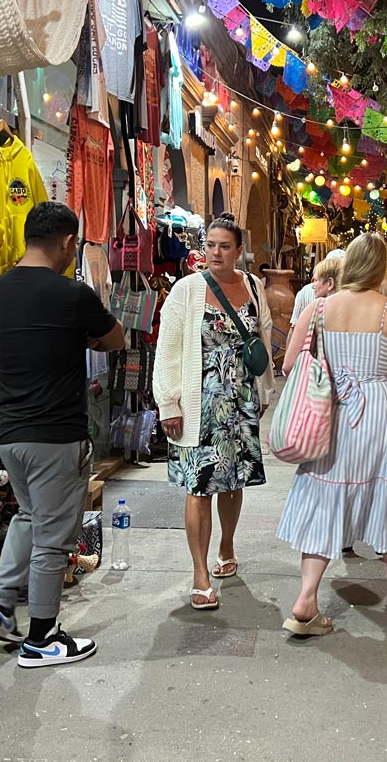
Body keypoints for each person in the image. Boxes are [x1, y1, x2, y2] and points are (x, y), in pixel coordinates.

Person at [0, 202, 126, 668]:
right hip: (54, 435)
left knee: (29, 518)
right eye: (74, 244)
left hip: (9, 433)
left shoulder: (0, 290)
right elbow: (116, 337)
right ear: (65, 242)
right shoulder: (72, 295)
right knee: (53, 539)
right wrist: (86, 337)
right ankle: (42, 637)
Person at [276, 233, 387, 636]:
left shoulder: (319, 308)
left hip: (332, 409)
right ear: (381, 268)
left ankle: (306, 600)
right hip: (381, 411)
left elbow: (290, 364)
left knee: (326, 494)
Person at [154, 213, 275, 611]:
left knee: (233, 481)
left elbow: (263, 339)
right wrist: (168, 404)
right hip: (198, 404)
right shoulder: (186, 291)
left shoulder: (254, 286)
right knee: (199, 485)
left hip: (239, 403)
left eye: (225, 246)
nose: (217, 253)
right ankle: (199, 574)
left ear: (239, 251)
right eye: (210, 245)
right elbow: (168, 350)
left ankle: (227, 545)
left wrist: (264, 390)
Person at [287, 252, 344, 347]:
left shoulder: (315, 308)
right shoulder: (353, 308)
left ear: (330, 283)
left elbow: (293, 331)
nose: (313, 286)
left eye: (316, 280)